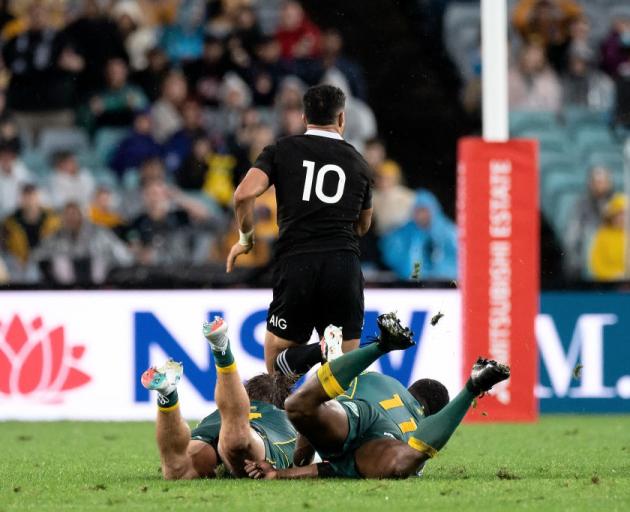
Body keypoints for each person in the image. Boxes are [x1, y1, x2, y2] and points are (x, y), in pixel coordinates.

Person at [245, 312, 510, 480]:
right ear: (430, 413)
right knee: (403, 463)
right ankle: (472, 389)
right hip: (388, 439)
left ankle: (380, 346)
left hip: (358, 414)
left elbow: (315, 445)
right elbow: (331, 469)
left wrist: (293, 461)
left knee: (299, 406)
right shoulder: (421, 424)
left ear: (411, 390)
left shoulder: (381, 381)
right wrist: (281, 475)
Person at [228, 84, 373, 377]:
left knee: (277, 360)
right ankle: (328, 356)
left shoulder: (282, 150)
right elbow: (363, 225)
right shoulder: (359, 163)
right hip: (343, 264)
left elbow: (243, 194)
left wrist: (246, 239)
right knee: (344, 366)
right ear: (341, 119)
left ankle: (315, 355)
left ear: (305, 118)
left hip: (298, 263)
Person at [140, 317, 297, 479]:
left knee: (176, 469)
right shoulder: (286, 417)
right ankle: (222, 352)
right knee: (235, 441)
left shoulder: (216, 414)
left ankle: (168, 394)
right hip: (251, 432)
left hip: (217, 423)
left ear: (245, 394)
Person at [33, 202, 133, 285]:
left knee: (100, 261)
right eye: (68, 215)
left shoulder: (99, 233)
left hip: (99, 287)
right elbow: (37, 256)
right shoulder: (55, 237)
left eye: (75, 214)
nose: (71, 218)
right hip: (65, 290)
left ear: (83, 215)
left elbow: (124, 257)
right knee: (60, 262)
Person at [380, 190, 458, 281]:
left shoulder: (448, 231)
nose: (421, 215)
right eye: (417, 211)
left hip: (445, 285)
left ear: (433, 210)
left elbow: (462, 256)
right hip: (415, 286)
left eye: (424, 210)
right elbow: (392, 253)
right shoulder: (407, 232)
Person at [564, 166, 614, 278]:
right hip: (588, 256)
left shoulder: (617, 203)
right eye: (596, 182)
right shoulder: (581, 205)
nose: (599, 186)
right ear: (590, 184)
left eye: (603, 182)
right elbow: (572, 236)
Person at [1, 183, 59, 280]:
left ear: (38, 198)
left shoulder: (52, 219)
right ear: (21, 199)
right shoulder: (10, 222)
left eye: (32, 196)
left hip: (47, 260)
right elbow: (5, 247)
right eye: (26, 197)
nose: (30, 201)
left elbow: (57, 243)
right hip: (19, 263)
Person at [508, 42, 562, 112]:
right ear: (523, 56)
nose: (533, 58)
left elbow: (555, 103)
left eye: (537, 55)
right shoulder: (512, 76)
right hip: (517, 119)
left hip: (543, 119)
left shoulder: (549, 77)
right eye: (530, 54)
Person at [589, 194, 627, 281]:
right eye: (619, 214)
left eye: (626, 214)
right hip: (609, 285)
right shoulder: (602, 235)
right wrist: (613, 275)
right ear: (612, 216)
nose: (623, 218)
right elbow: (596, 263)